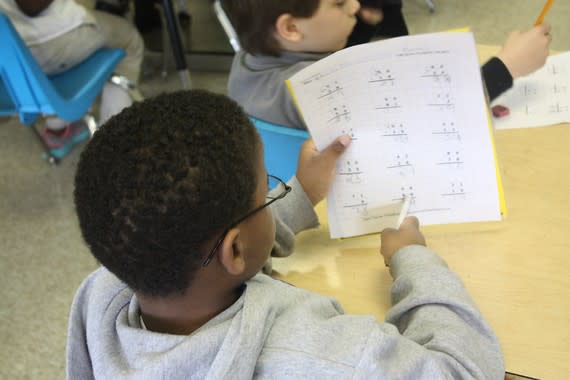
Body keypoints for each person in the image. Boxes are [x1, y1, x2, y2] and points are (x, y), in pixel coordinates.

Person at [67, 89, 504, 379]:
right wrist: (413, 259)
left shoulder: (100, 295)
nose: (272, 195)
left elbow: (207, 248)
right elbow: (466, 369)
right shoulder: (331, 355)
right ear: (234, 250)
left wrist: (300, 193)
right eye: (266, 192)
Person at [224, 0, 552, 130]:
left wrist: (362, 20)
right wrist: (508, 66)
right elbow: (434, 114)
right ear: (290, 28)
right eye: (339, 4)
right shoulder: (312, 89)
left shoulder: (249, 62)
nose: (353, 5)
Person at [0, 0, 144, 158]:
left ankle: (59, 127)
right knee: (129, 40)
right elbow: (31, 6)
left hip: (9, 62)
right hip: (42, 43)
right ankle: (114, 139)